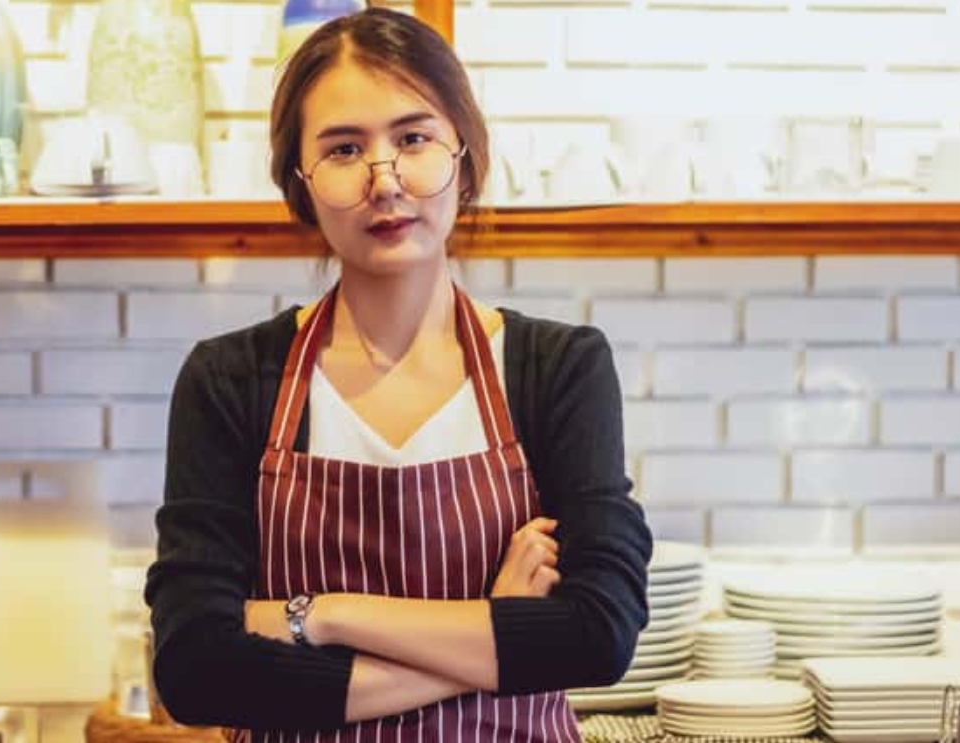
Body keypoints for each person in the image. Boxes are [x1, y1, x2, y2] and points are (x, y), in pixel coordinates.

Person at [143, 7, 652, 741]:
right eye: (344, 148)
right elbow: (196, 669)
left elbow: (597, 633)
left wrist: (317, 613)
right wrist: (494, 629)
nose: (384, 180)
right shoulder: (230, 378)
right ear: (303, 183)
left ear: (464, 158)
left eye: (412, 138)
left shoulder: (556, 368)